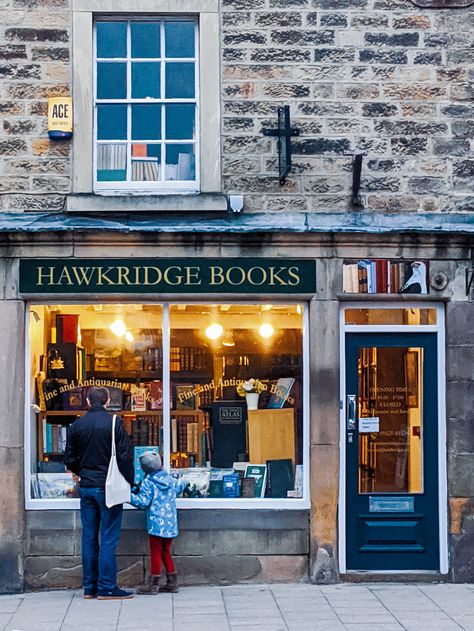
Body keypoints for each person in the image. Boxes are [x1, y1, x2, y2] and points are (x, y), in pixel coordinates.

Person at [64, 386, 135, 600]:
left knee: (88, 537)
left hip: (86, 486)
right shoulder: (114, 423)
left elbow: (69, 458)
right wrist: (130, 482)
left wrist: (82, 473)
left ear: (87, 401)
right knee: (108, 537)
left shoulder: (76, 425)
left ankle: (89, 587)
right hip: (109, 487)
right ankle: (107, 587)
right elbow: (124, 456)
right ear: (107, 401)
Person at [130, 451, 187, 595]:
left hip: (156, 525)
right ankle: (172, 581)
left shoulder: (148, 483)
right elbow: (180, 486)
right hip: (170, 524)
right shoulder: (170, 480)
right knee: (166, 551)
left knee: (155, 552)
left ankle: (153, 584)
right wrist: (187, 481)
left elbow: (143, 502)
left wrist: (128, 496)